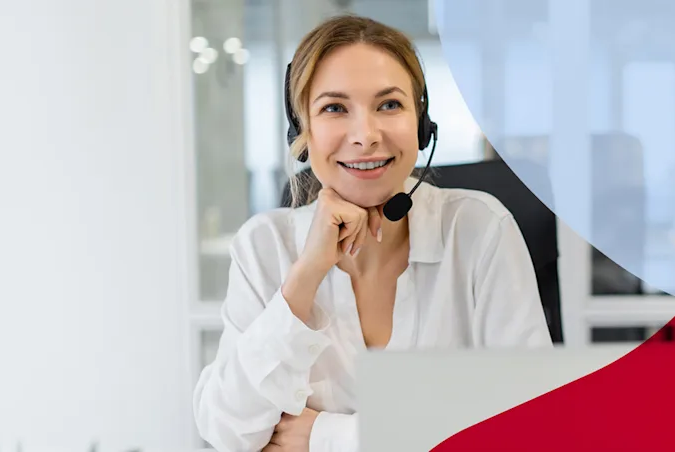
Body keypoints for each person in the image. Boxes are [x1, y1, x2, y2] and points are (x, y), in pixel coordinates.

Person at [192, 15, 552, 452]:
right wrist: (305, 276)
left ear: (421, 125)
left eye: (389, 105)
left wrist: (324, 436)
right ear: (303, 131)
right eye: (334, 108)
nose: (365, 136)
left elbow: (533, 424)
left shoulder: (479, 230)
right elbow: (228, 431)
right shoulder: (265, 246)